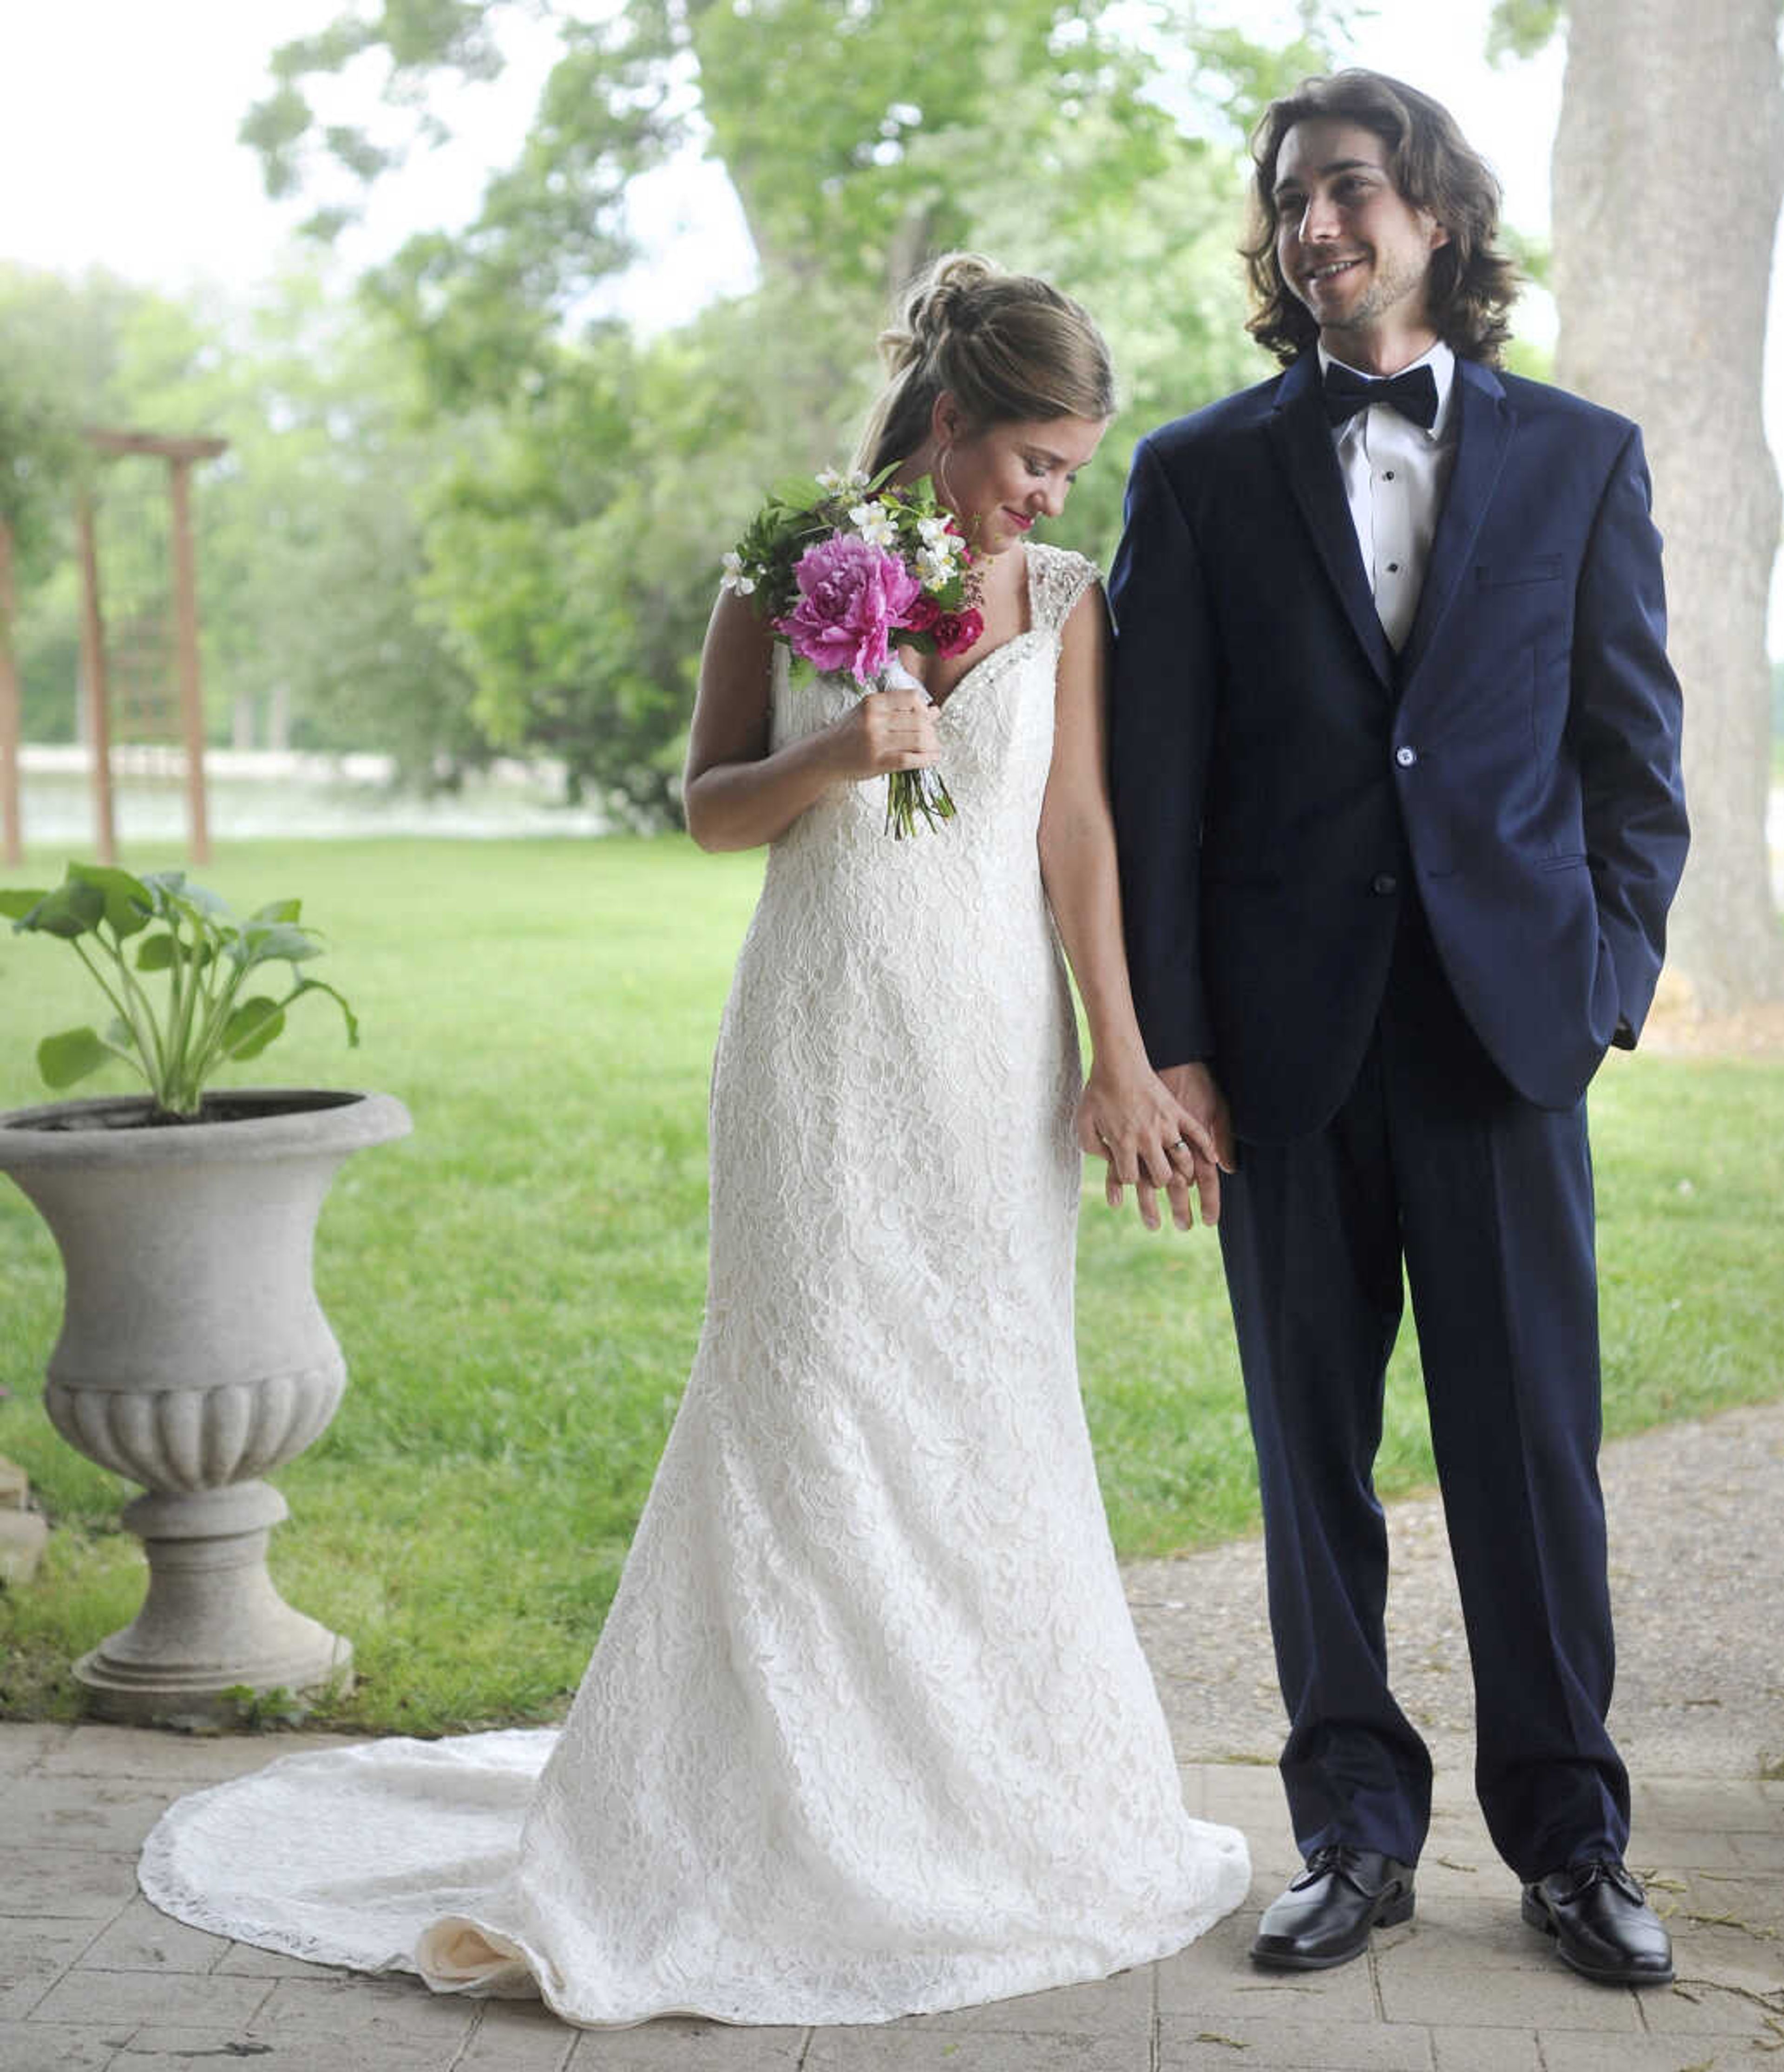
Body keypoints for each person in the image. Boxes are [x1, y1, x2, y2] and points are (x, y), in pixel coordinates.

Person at [137, 254, 1250, 2029]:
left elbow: (1082, 837)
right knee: (800, 1399)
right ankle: (766, 1820)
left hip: (983, 1054)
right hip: (817, 1043)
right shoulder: (793, 558)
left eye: (1073, 468)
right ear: (952, 417)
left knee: (985, 1399)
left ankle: (990, 1809)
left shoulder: (1067, 596)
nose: (1055, 494)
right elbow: (709, 801)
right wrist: (837, 758)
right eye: (1036, 458)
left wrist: (1121, 1054)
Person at [1108, 71, 1688, 1986]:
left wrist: (1599, 988)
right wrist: (1175, 1043)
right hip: (1286, 1055)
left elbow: (1634, 769)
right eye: (1288, 202)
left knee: (1533, 1463)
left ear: (1436, 210)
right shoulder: (1194, 478)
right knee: (1308, 1466)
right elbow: (1155, 786)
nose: (1314, 226)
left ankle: (1573, 1842)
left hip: (1508, 1043)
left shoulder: (1587, 459)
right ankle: (1349, 1835)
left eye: (1347, 189)